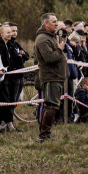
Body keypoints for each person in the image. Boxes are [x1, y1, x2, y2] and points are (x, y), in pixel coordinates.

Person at [33, 13, 68, 142]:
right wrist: (59, 50)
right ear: (46, 24)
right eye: (54, 22)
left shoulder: (50, 37)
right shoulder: (42, 39)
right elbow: (49, 58)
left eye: (57, 21)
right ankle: (43, 136)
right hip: (51, 77)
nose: (56, 24)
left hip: (57, 77)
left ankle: (46, 134)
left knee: (53, 106)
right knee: (51, 106)